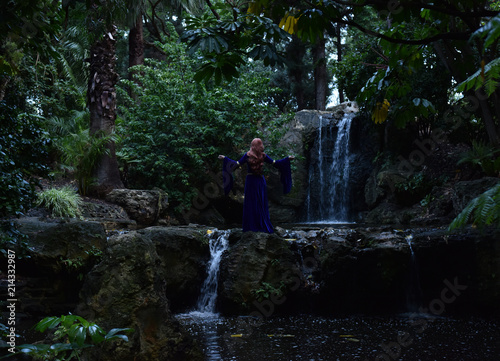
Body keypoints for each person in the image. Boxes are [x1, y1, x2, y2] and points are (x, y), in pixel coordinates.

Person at [218, 138, 294, 233]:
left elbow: (235, 165)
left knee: (251, 203)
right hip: (259, 181)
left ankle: (251, 226)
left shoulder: (249, 155)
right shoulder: (263, 156)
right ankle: (260, 225)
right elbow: (276, 163)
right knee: (259, 203)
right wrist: (287, 159)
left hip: (251, 181)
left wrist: (225, 159)